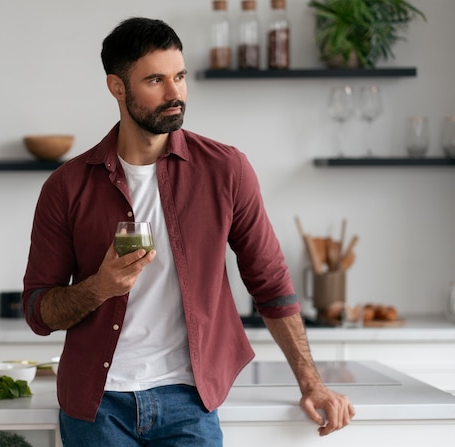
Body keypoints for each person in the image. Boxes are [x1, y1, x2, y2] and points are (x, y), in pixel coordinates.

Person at [23, 17, 355, 447]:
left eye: (179, 76)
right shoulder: (67, 186)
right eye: (156, 80)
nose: (174, 92)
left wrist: (311, 382)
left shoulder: (226, 169)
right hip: (97, 407)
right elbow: (38, 309)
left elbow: (271, 284)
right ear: (117, 88)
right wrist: (98, 288)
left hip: (190, 402)